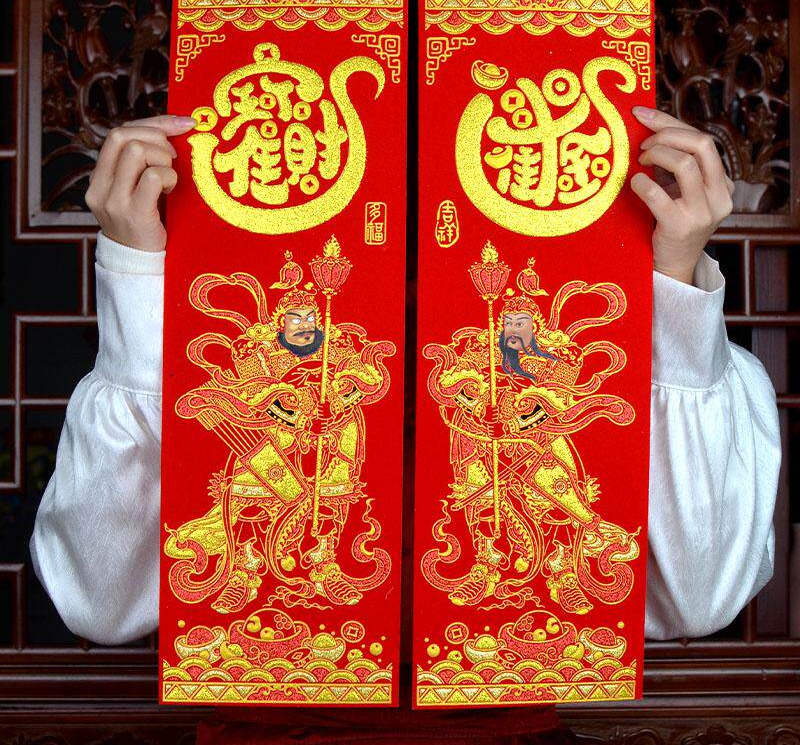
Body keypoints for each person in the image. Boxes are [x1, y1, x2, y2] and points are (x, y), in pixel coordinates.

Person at [29, 108, 780, 741]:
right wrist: (136, 275)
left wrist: (676, 282)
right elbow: (99, 604)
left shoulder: (575, 345)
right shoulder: (254, 335)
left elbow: (700, 597)